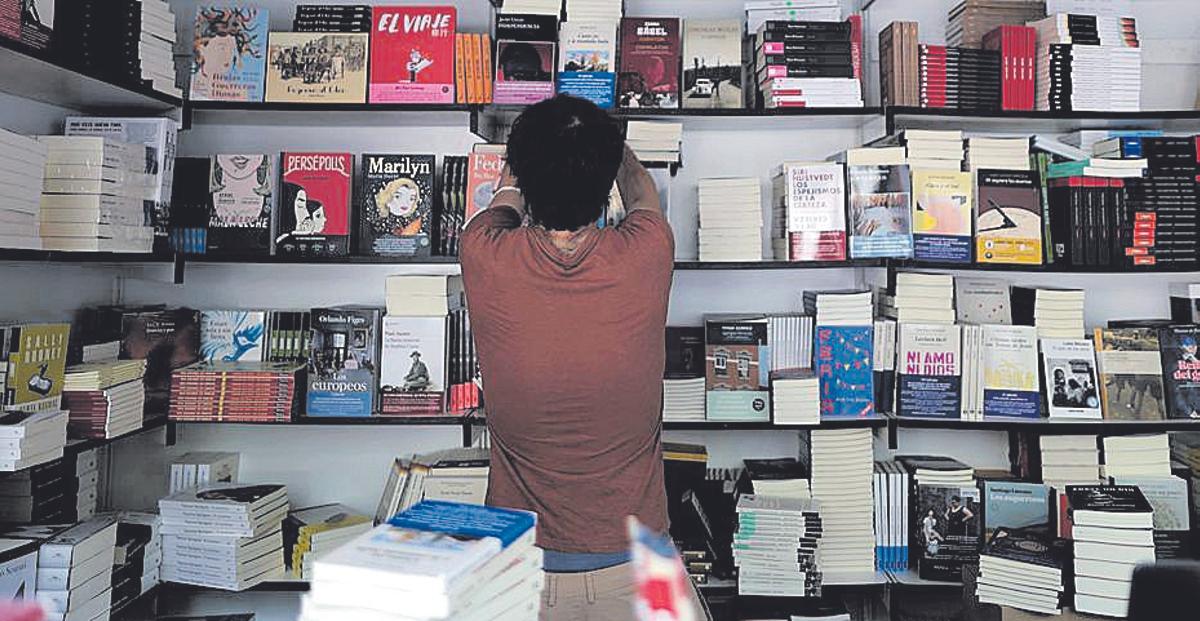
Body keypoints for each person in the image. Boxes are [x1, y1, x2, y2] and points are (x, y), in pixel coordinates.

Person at [460, 95, 703, 621]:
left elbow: (503, 204)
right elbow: (641, 191)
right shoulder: (648, 251)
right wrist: (608, 148)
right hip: (641, 567)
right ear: (604, 177)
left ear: (523, 176)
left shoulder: (482, 253)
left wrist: (523, 166)